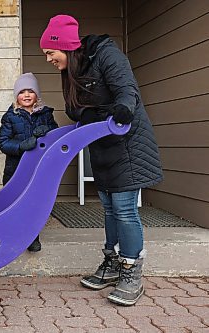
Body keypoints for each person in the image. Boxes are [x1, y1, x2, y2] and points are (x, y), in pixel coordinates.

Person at [40, 14, 163, 305]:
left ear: (65, 46)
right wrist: (91, 115)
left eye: (50, 53)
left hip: (128, 142)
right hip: (102, 144)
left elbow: (126, 91)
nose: (48, 59)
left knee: (124, 209)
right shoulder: (71, 68)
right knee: (108, 207)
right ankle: (112, 263)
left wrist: (119, 110)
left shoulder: (106, 54)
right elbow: (74, 109)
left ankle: (132, 271)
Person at [0, 72, 58, 252]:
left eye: (30, 91)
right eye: (22, 91)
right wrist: (22, 145)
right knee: (14, 203)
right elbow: (3, 142)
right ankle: (13, 236)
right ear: (17, 95)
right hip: (16, 169)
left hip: (38, 168)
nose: (26, 95)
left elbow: (56, 135)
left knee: (34, 203)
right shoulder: (11, 116)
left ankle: (32, 237)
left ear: (36, 95)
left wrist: (46, 130)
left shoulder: (45, 114)